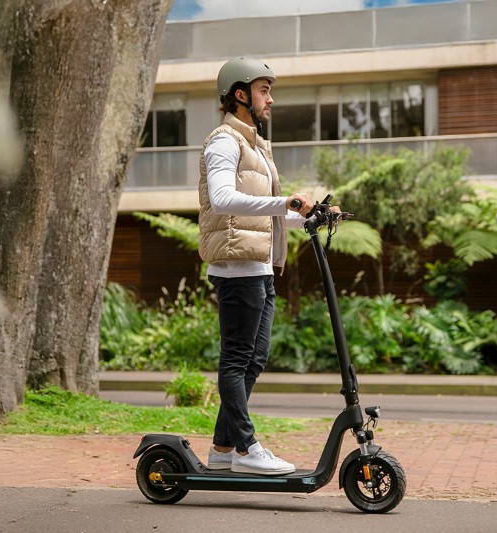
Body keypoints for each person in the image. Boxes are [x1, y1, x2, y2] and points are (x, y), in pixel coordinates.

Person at [198, 57, 338, 475]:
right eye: (264, 90)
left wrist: (308, 217)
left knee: (254, 360)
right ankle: (245, 449)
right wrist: (284, 202)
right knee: (237, 359)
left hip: (259, 266)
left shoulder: (257, 146)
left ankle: (223, 447)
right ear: (240, 94)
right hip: (236, 268)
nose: (270, 99)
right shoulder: (225, 141)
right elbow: (222, 199)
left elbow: (267, 214)